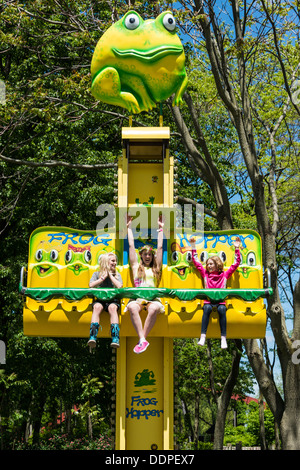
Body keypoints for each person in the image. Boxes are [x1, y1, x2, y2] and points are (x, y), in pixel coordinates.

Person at [189, 236, 241, 349]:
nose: (208, 266)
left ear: (217, 264)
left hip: (220, 301)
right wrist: (193, 246)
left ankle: (223, 338)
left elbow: (236, 264)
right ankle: (202, 336)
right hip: (208, 300)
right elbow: (196, 262)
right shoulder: (205, 274)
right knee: (206, 309)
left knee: (222, 310)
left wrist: (237, 249)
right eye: (207, 264)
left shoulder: (224, 275)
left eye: (211, 264)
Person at [126, 215, 164, 354]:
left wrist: (161, 229)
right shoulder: (136, 267)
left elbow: (160, 248)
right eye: (145, 254)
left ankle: (142, 339)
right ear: (141, 255)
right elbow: (131, 245)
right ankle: (142, 339)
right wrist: (128, 228)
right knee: (132, 308)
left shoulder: (156, 269)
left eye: (150, 254)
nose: (148, 256)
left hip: (152, 297)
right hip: (138, 298)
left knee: (153, 309)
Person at [88, 252, 123, 350]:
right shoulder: (97, 274)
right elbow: (91, 285)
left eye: (115, 261)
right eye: (112, 261)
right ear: (106, 262)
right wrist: (102, 278)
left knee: (112, 308)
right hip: (100, 300)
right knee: (97, 307)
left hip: (112, 300)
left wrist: (111, 276)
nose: (115, 263)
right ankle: (93, 335)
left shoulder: (117, 275)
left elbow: (119, 286)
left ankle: (115, 337)